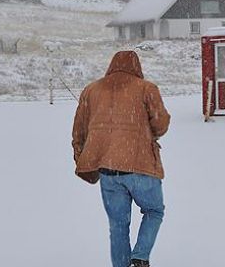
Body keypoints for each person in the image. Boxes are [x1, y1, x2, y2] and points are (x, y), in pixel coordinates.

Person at [71, 51, 171, 267]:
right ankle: (140, 255)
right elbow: (161, 124)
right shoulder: (146, 88)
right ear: (136, 66)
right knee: (154, 211)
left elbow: (79, 131)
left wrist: (81, 157)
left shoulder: (91, 90)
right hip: (141, 166)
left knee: (118, 226)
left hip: (108, 169)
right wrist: (148, 132)